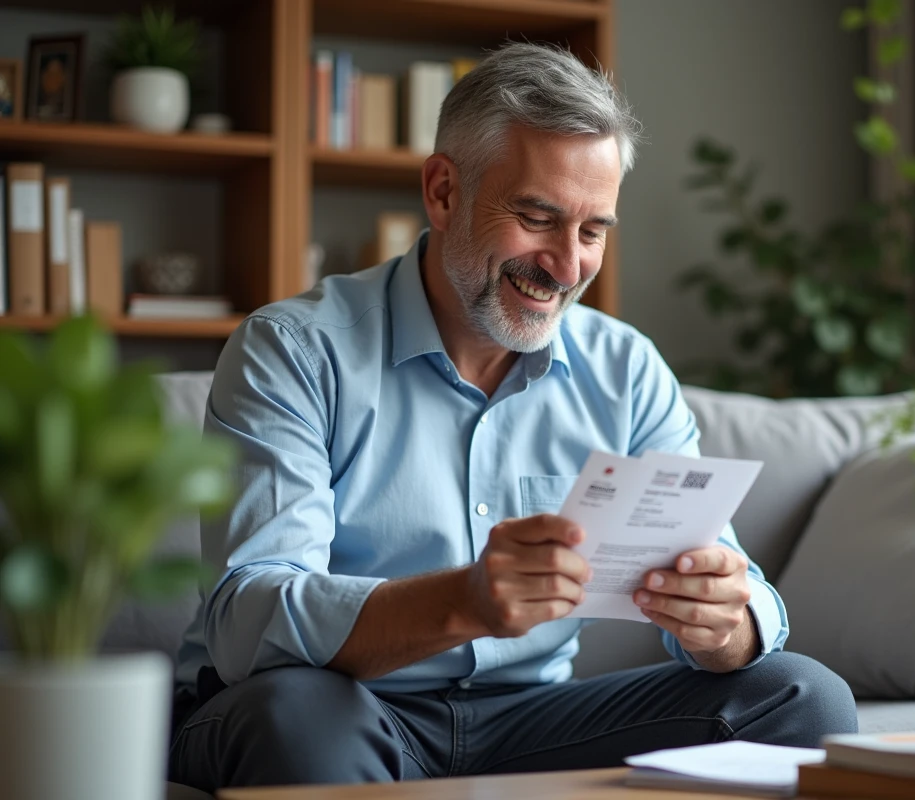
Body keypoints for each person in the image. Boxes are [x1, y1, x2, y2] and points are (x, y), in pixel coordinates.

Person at [169, 42, 857, 793]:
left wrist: (728, 623)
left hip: (529, 719)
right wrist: (461, 602)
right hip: (340, 702)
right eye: (537, 217)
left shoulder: (627, 370)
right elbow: (249, 621)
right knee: (294, 714)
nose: (565, 265)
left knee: (802, 698)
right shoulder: (295, 351)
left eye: (592, 231)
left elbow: (728, 578)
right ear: (442, 192)